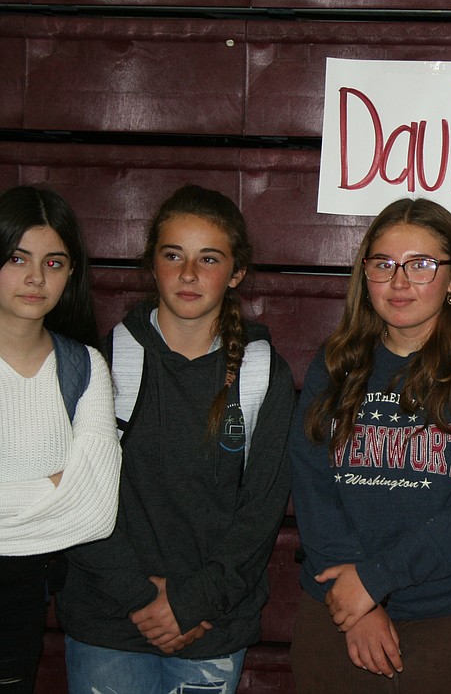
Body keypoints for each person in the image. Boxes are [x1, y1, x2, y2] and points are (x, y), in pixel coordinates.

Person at [289, 197, 451, 694]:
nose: (400, 281)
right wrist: (360, 601)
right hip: (340, 610)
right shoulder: (335, 365)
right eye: (383, 264)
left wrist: (377, 579)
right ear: (364, 274)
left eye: (421, 265)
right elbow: (312, 486)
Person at [56, 184, 295, 694]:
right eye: (173, 255)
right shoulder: (101, 366)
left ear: (236, 273)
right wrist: (141, 597)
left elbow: (261, 512)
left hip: (210, 623)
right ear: (152, 265)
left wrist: (192, 602)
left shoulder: (261, 375)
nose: (188, 274)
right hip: (110, 620)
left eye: (208, 258)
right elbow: (72, 497)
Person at [0, 186, 120, 694]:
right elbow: (72, 498)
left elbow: (96, 511)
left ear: (71, 272)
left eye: (53, 262)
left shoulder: (85, 367)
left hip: (19, 602)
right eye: (17, 258)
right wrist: (53, 486)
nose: (35, 277)